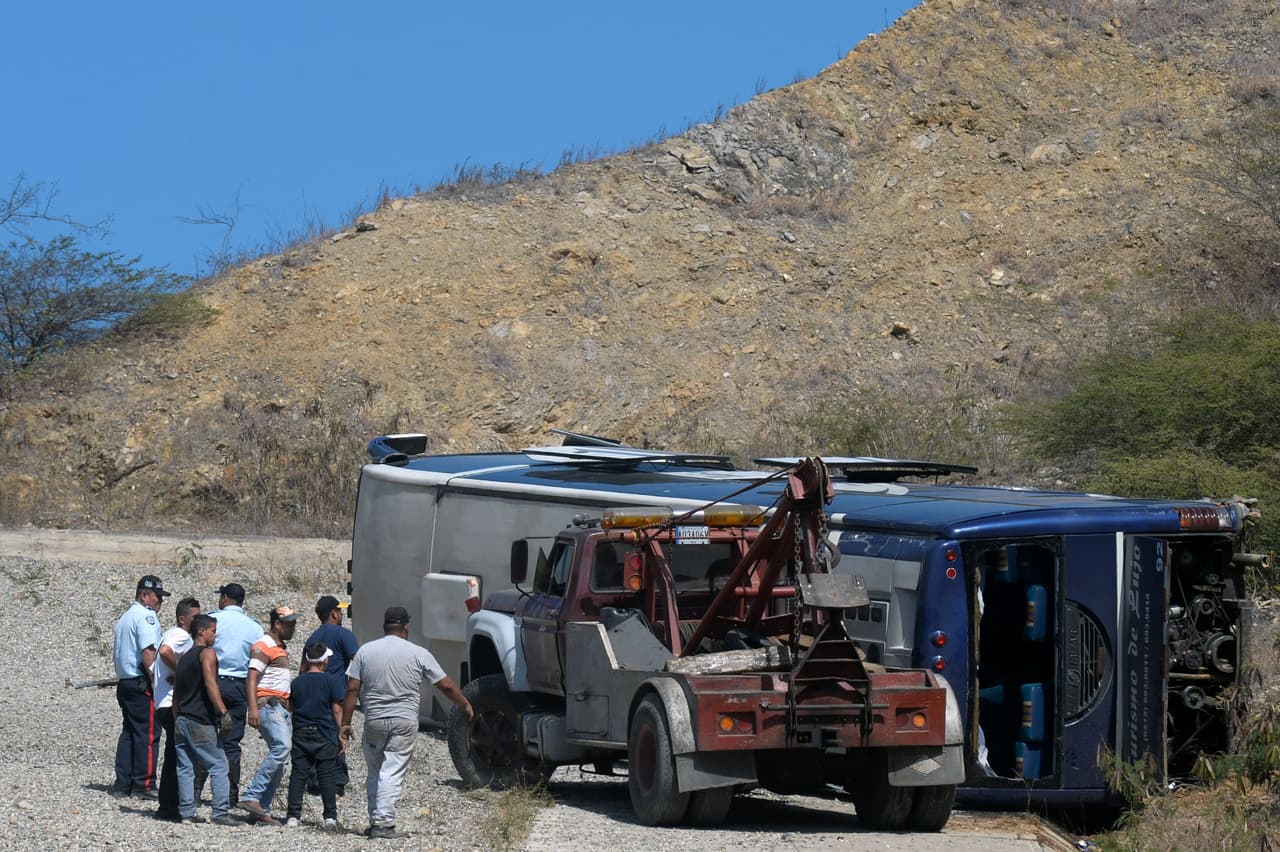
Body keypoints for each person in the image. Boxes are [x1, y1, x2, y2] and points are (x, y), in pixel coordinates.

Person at [341, 606, 473, 839]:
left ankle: (375, 820)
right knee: (391, 771)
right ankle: (384, 824)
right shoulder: (418, 653)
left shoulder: (365, 652)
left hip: (374, 721)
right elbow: (446, 685)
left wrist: (346, 723)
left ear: (385, 627)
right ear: (406, 628)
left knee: (375, 770)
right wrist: (465, 704)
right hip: (404, 722)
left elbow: (352, 689)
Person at [174, 613, 237, 826]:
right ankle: (220, 813)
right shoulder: (207, 653)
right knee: (219, 765)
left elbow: (176, 694)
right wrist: (223, 712)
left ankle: (187, 813)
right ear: (201, 631)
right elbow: (211, 683)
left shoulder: (183, 658)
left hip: (182, 719)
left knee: (185, 767)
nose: (215, 635)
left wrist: (177, 717)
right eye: (213, 631)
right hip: (200, 719)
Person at [238, 606, 299, 825]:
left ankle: (261, 809)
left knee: (282, 761)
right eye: (289, 624)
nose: (293, 629)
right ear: (277, 624)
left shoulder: (279, 647)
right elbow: (252, 677)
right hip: (268, 704)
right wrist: (253, 707)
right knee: (282, 747)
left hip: (280, 707)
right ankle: (252, 796)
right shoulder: (264, 645)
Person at [111, 575, 170, 799]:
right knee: (149, 733)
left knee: (129, 732)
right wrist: (156, 680)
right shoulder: (147, 617)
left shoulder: (126, 616)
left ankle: (123, 783)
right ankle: (144, 784)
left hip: (126, 681)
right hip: (140, 682)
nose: (160, 602)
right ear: (144, 595)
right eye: (157, 597)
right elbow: (148, 651)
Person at [207, 582, 263, 807]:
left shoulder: (212, 620)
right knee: (232, 741)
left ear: (224, 598)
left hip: (214, 682)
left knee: (207, 736)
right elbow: (258, 661)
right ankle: (230, 795)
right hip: (240, 685)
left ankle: (197, 789)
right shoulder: (254, 627)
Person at [286, 640, 346, 831]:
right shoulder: (331, 681)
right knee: (326, 774)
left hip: (301, 731)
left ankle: (293, 816)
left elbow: (291, 708)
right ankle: (330, 817)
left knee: (298, 774)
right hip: (324, 732)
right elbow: (337, 709)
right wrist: (343, 732)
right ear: (324, 661)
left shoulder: (297, 682)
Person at [152, 597, 201, 821]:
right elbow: (164, 652)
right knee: (178, 755)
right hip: (170, 703)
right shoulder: (180, 635)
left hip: (164, 701)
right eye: (194, 617)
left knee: (174, 753)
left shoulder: (173, 634)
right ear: (182, 619)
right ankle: (170, 806)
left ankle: (170, 805)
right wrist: (181, 672)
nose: (198, 621)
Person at [305, 594, 358, 794]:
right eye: (340, 611)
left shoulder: (312, 637)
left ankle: (314, 781)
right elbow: (358, 660)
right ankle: (336, 781)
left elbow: (303, 669)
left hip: (313, 695)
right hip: (336, 694)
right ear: (334, 613)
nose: (342, 614)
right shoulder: (343, 634)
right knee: (338, 734)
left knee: (316, 736)